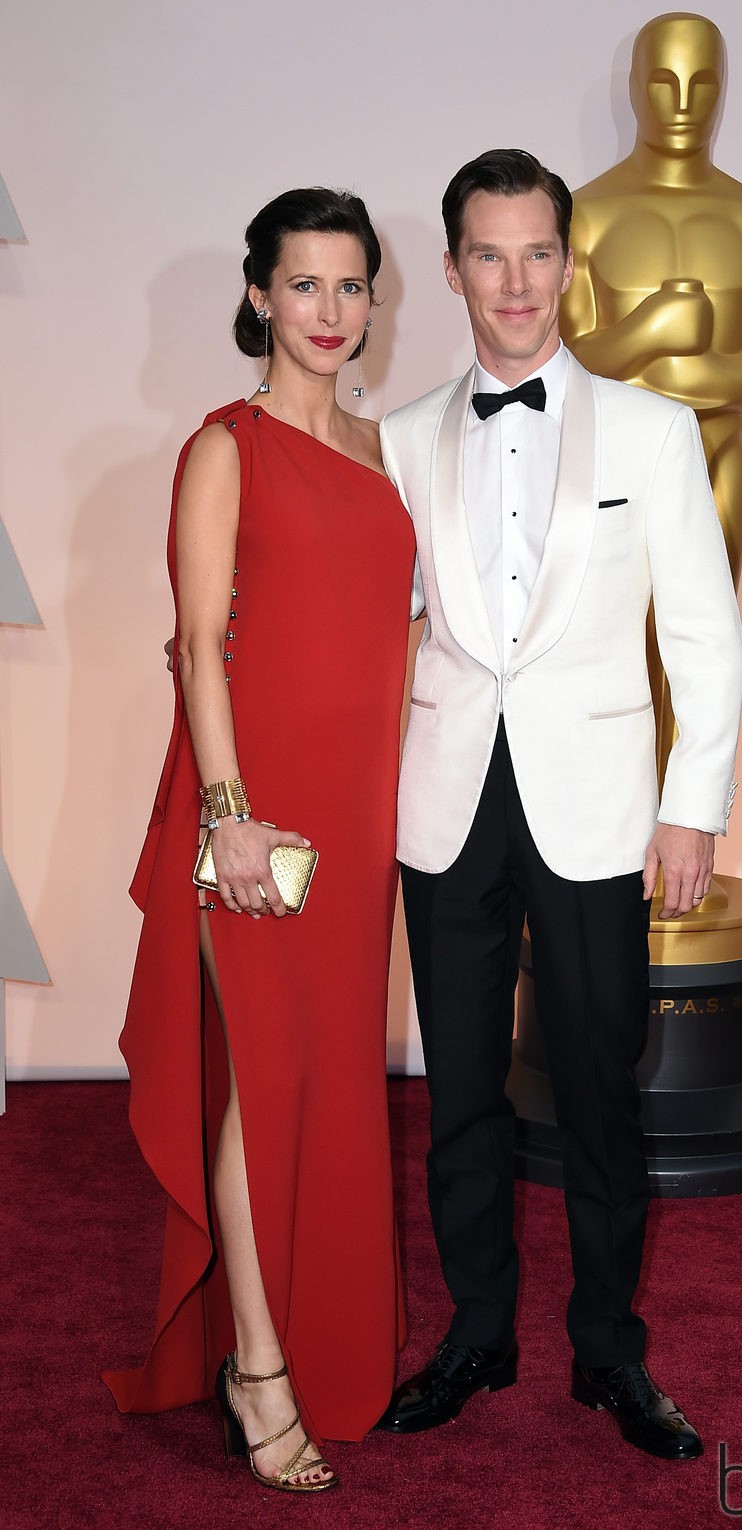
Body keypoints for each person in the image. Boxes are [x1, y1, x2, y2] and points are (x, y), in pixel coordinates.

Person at [375, 150, 742, 1460]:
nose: (517, 280)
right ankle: (478, 1328)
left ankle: (608, 1351)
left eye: (539, 252)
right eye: (490, 253)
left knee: (600, 1090)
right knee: (463, 1090)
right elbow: (381, 629)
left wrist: (693, 806)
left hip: (597, 806)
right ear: (454, 268)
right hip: (447, 801)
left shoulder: (653, 427)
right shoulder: (402, 435)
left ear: (570, 263)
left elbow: (706, 634)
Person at [103, 188, 415, 1492]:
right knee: (264, 1082)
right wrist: (229, 818)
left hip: (359, 809)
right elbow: (199, 645)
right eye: (306, 286)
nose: (331, 313)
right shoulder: (223, 446)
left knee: (332, 1077)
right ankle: (259, 1368)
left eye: (351, 288)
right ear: (258, 296)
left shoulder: (383, 452)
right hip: (259, 816)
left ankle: (314, 1337)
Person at [561, 12, 742, 778]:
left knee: (700, 656)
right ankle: (613, 851)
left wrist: (640, 358)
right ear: (635, 88)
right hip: (611, 468)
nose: (684, 101)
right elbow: (567, 357)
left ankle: (683, 842)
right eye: (663, 82)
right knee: (613, 656)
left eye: (703, 83)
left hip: (716, 459)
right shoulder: (582, 216)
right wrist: (660, 325)